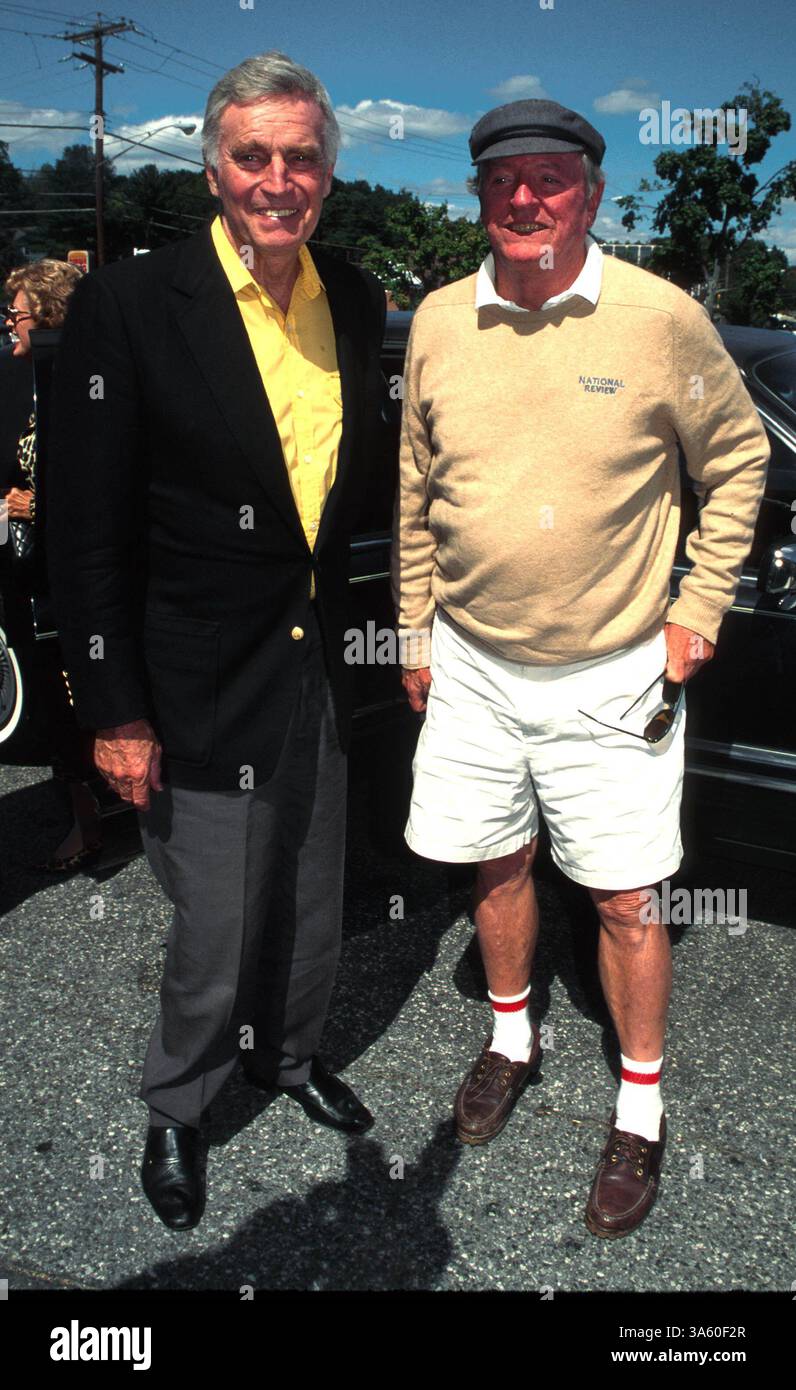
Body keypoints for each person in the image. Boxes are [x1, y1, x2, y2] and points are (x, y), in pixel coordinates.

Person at [392, 99, 769, 1239]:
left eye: (551, 179)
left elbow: (741, 461)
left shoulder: (658, 320)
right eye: (503, 181)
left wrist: (697, 607)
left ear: (592, 196)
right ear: (479, 197)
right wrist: (412, 627)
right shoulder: (439, 323)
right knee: (496, 866)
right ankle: (512, 1038)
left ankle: (639, 1107)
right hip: (469, 663)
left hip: (612, 674)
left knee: (623, 896)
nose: (525, 199)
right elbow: (413, 485)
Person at [47, 51, 386, 1230]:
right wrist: (112, 708)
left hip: (316, 666)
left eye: (301, 157)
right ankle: (178, 1102)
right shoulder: (131, 305)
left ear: (329, 175)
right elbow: (81, 534)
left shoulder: (347, 294)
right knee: (215, 916)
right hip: (191, 679)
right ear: (213, 166)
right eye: (255, 155)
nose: (278, 178)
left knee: (309, 889)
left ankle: (285, 1059)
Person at [0, 259, 99, 869]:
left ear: (52, 317)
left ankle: (98, 820)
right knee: (50, 702)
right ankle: (84, 809)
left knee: (88, 698)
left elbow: (120, 488)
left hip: (84, 576)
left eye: (17, 314)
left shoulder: (96, 382)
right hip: (27, 570)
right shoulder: (15, 377)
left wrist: (41, 502)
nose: (9, 325)